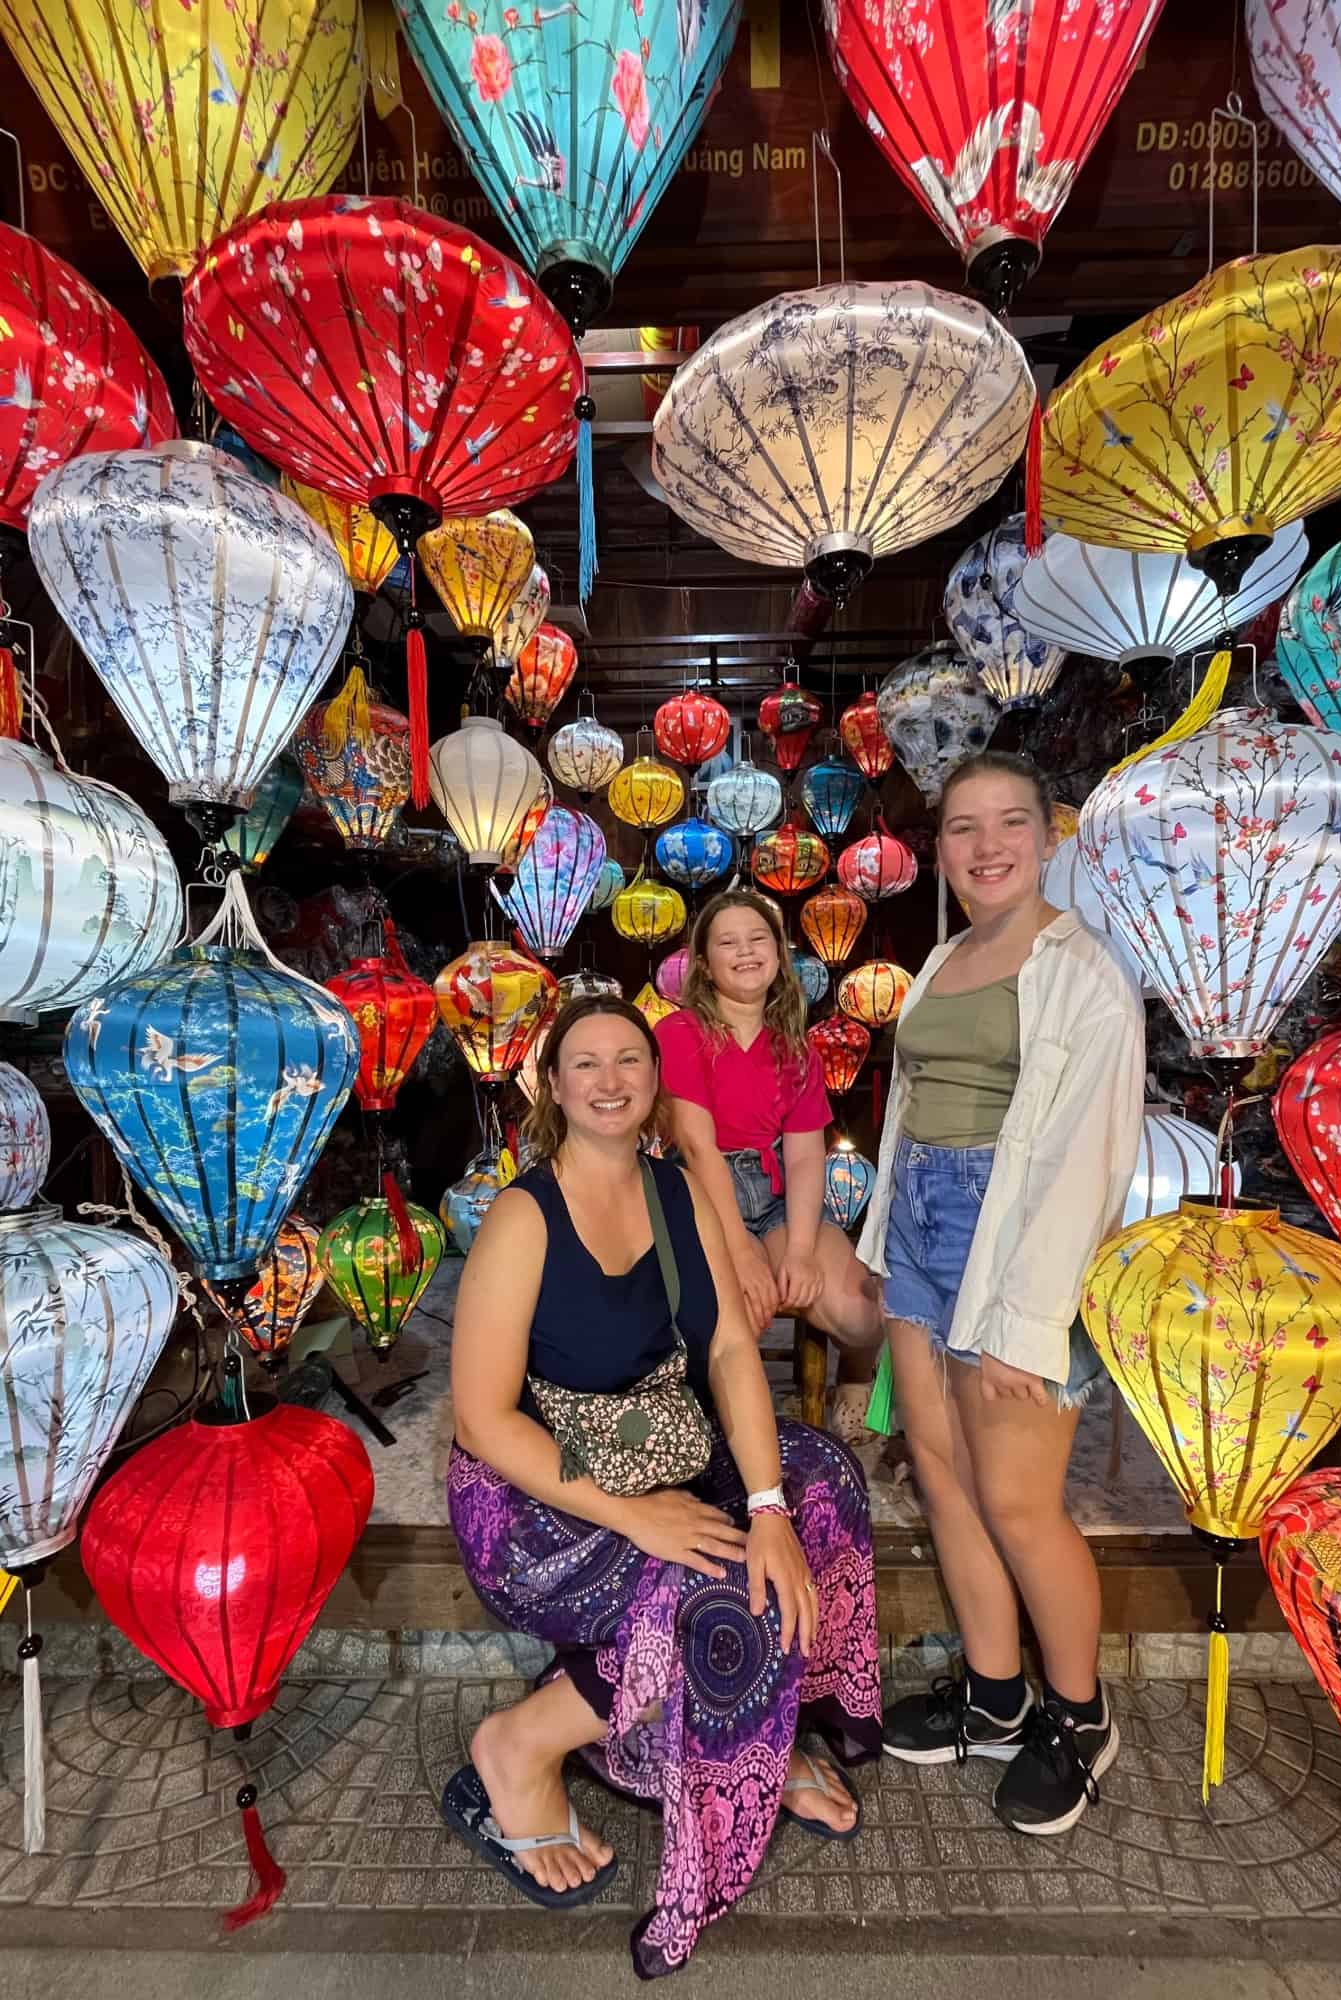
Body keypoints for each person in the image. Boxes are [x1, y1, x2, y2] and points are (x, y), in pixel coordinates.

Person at [445, 995, 881, 1979]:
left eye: (629, 1059)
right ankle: (516, 1745)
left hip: (663, 1443)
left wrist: (767, 1507)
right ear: (553, 1085)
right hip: (536, 1498)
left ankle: (768, 1730)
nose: (610, 1079)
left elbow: (730, 1343)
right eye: (585, 1063)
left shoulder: (676, 1185)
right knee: (705, 1584)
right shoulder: (523, 1214)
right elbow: (481, 1417)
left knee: (822, 1482)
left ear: (655, 1078)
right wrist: (635, 1513)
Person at [857, 752, 1144, 1837]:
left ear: (1046, 836)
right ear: (941, 849)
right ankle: (994, 1692)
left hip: (1017, 1239)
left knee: (1020, 1496)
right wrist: (887, 1245)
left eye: (1009, 821)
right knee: (944, 1473)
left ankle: (1079, 1713)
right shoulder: (941, 959)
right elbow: (908, 1113)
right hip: (926, 1235)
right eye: (965, 827)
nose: (987, 845)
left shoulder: (1085, 973)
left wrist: (1031, 1323)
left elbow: (1085, 1160)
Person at [657, 890, 882, 1437]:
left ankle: (857, 1374)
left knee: (859, 1312)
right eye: (727, 943)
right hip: (704, 1191)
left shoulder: (796, 1047)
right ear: (705, 965)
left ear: (779, 957)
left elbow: (805, 1154)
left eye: (758, 939)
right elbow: (697, 1146)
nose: (746, 951)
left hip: (779, 1189)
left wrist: (801, 1251)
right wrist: (739, 1248)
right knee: (739, 1309)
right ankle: (717, 1424)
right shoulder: (680, 1033)